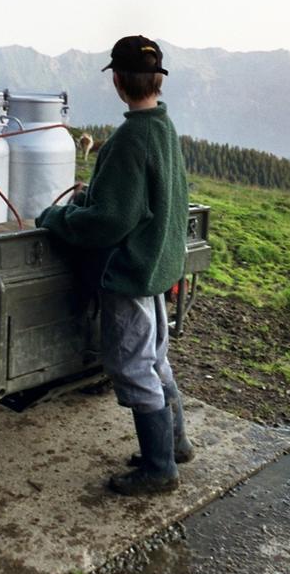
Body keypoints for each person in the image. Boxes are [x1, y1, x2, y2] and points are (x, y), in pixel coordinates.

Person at [36, 35, 194, 496]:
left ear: (119, 82)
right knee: (155, 358)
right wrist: (98, 195)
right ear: (158, 81)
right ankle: (176, 444)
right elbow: (144, 199)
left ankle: (159, 468)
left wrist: (58, 217)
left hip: (129, 268)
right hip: (158, 261)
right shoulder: (164, 129)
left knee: (130, 364)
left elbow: (111, 221)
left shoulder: (129, 138)